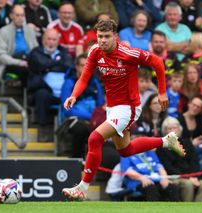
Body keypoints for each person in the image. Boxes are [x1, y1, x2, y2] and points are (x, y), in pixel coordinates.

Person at [61, 19, 185, 200]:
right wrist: (74, 95)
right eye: (100, 36)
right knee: (125, 151)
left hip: (129, 107)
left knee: (94, 138)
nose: (102, 40)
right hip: (112, 108)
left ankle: (83, 187)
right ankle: (166, 141)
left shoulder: (128, 53)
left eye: (106, 36)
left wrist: (162, 92)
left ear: (115, 36)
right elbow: (84, 76)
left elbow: (157, 61)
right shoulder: (95, 51)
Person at [28, 28, 73, 142]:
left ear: (58, 41)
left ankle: (69, 132)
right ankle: (42, 128)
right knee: (41, 94)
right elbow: (39, 65)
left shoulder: (64, 52)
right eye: (49, 39)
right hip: (46, 92)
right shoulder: (35, 52)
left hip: (64, 94)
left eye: (54, 39)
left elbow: (69, 66)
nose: (51, 42)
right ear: (43, 40)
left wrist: (48, 66)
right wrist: (57, 63)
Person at [60, 53, 105, 157]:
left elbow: (100, 104)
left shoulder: (95, 83)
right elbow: (67, 108)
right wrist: (91, 117)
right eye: (82, 65)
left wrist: (96, 118)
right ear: (76, 67)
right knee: (81, 129)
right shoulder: (69, 83)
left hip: (94, 119)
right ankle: (76, 159)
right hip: (73, 119)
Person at [156, 117, 202, 202]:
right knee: (188, 184)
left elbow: (194, 162)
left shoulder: (187, 143)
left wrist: (194, 177)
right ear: (165, 132)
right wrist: (188, 178)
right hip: (174, 177)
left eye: (175, 128)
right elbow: (168, 168)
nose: (173, 130)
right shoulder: (161, 147)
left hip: (190, 176)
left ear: (180, 129)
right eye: (169, 128)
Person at [0, 4, 39, 87]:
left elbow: (36, 51)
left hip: (28, 61)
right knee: (27, 71)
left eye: (22, 15)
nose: (20, 18)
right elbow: (1, 55)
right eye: (17, 15)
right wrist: (19, 62)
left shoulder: (30, 31)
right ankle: (27, 97)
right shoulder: (4, 31)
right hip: (12, 63)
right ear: (11, 16)